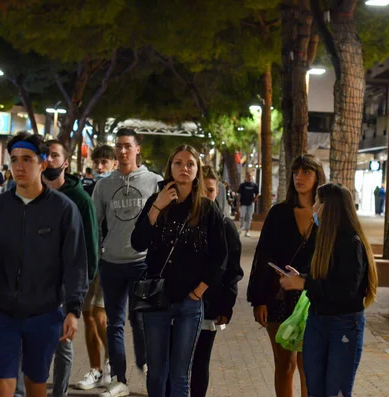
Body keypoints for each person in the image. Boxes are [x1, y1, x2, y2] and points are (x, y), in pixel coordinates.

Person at [0, 132, 88, 397]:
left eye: (27, 159)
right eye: (14, 160)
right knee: (2, 387)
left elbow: (75, 263)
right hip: (0, 313)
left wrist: (73, 310)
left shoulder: (64, 210)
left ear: (43, 163)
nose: (19, 166)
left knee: (36, 387)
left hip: (44, 313)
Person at [131, 145, 227, 397]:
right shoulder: (157, 202)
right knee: (157, 372)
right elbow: (138, 242)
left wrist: (199, 291)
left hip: (189, 302)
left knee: (180, 373)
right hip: (156, 298)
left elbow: (220, 255)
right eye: (178, 163)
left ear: (197, 171)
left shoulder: (207, 209)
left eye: (190, 164)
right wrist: (157, 207)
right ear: (170, 168)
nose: (184, 168)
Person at [278, 182, 378, 397]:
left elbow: (345, 291)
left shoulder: (351, 243)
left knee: (336, 391)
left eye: (317, 202)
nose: (313, 208)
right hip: (317, 321)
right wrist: (301, 276)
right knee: (315, 389)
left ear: (328, 207)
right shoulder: (324, 239)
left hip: (344, 325)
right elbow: (323, 277)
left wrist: (304, 284)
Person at [247, 154, 326, 397]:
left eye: (306, 172)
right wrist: (258, 299)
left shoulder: (325, 214)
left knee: (308, 365)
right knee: (285, 364)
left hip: (312, 298)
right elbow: (263, 256)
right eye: (295, 173)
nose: (299, 178)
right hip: (279, 296)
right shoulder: (279, 212)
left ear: (317, 177)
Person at [91, 129, 162, 396]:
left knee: (141, 320)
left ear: (137, 149)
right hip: (111, 263)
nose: (122, 152)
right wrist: (97, 255)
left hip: (142, 263)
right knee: (115, 323)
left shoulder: (154, 182)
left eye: (127, 147)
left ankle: (146, 365)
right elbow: (95, 224)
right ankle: (119, 379)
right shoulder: (104, 184)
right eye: (118, 146)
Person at [189, 165, 242, 397]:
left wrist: (226, 306)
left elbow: (233, 270)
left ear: (217, 192)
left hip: (208, 307)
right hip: (179, 301)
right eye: (202, 190)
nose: (206, 196)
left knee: (201, 361)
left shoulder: (225, 226)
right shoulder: (183, 221)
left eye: (210, 191)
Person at [76, 144, 117, 391]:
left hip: (109, 259)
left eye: (105, 162)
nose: (100, 167)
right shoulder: (87, 186)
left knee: (99, 313)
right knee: (87, 314)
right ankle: (96, 368)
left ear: (113, 163)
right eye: (97, 162)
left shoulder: (116, 187)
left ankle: (112, 363)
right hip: (87, 258)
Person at [237, 172, 259, 237]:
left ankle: (247, 231)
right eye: (248, 176)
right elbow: (239, 194)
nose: (249, 177)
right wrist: (238, 203)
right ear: (246, 177)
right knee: (242, 216)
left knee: (249, 217)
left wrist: (254, 200)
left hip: (250, 204)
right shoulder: (242, 185)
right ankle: (240, 228)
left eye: (250, 176)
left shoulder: (254, 185)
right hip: (243, 203)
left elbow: (257, 193)